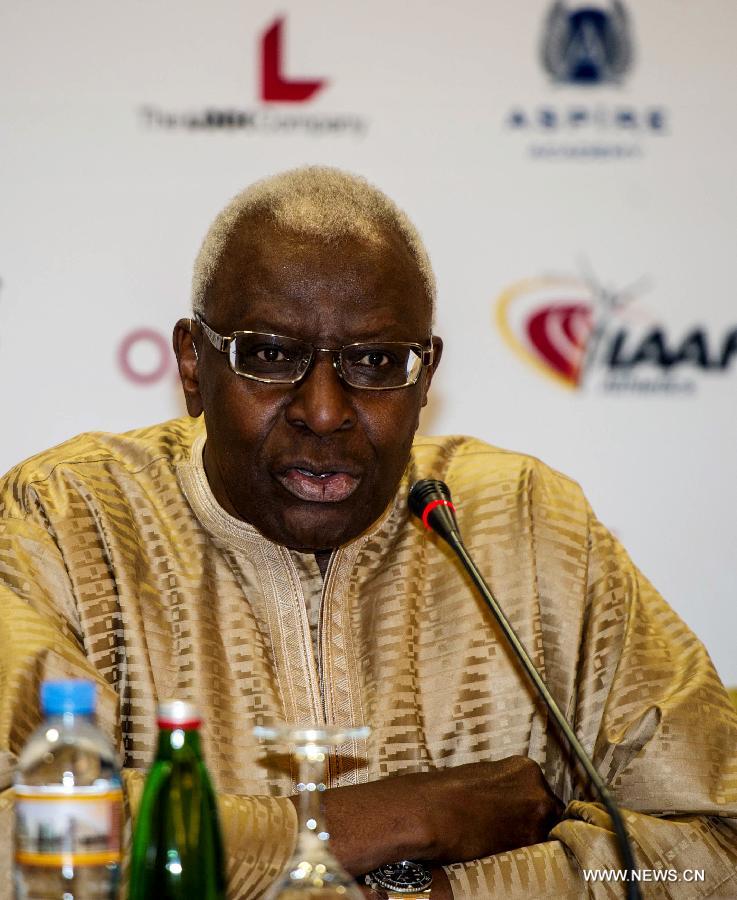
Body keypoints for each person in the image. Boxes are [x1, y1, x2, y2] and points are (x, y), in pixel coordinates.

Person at [1, 166, 736, 899]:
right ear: (194, 364)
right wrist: (386, 819)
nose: (323, 410)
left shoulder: (527, 524)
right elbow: (17, 835)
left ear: (426, 377)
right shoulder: (67, 518)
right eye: (270, 354)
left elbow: (711, 846)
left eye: (375, 363)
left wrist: (441, 893)